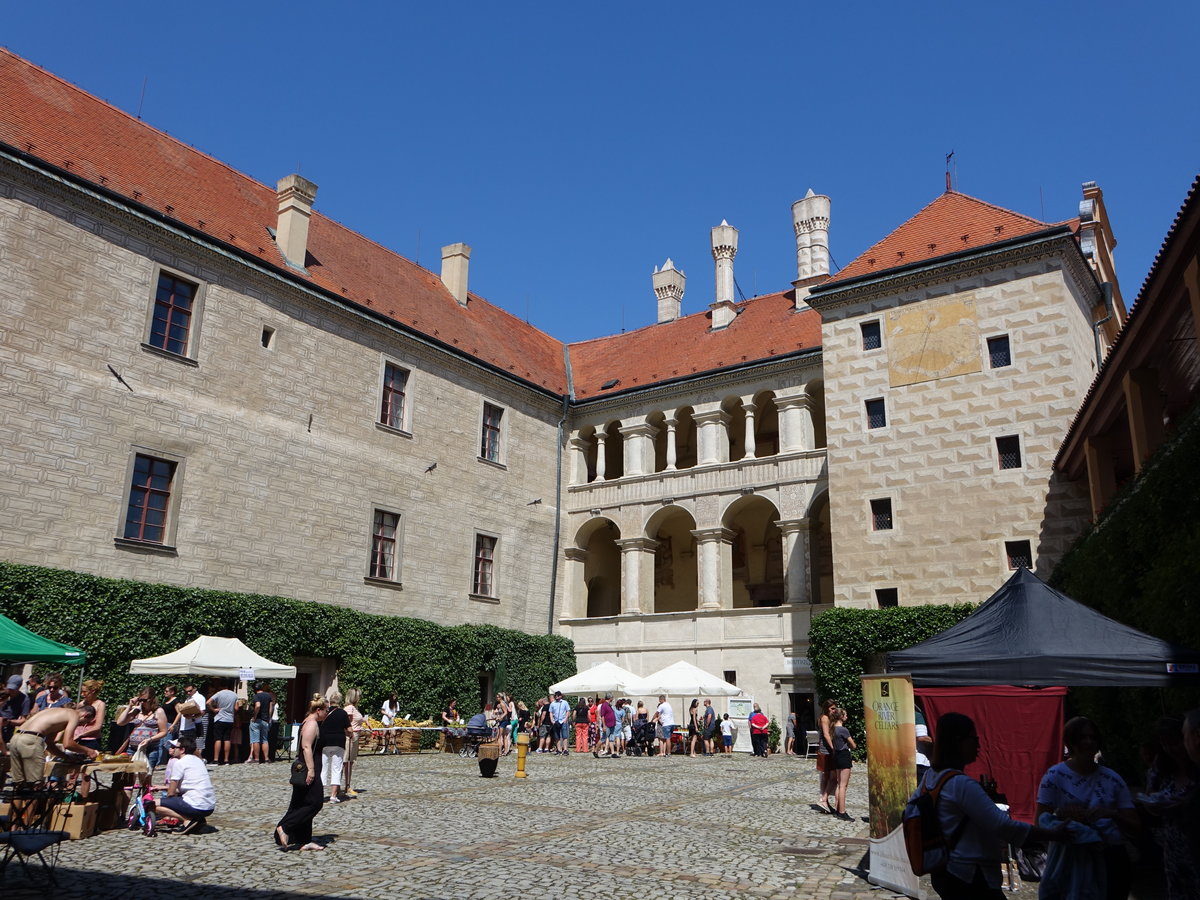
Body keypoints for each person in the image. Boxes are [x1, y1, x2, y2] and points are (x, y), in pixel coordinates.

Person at [919, 712, 1069, 900]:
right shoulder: (961, 784)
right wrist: (1053, 835)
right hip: (970, 877)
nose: (978, 745)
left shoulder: (930, 777)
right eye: (974, 739)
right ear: (958, 742)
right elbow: (1003, 826)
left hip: (944, 872)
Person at [1035, 716, 1136, 900]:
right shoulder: (1054, 777)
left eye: (1092, 737)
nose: (1088, 742)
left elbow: (1135, 827)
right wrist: (1061, 819)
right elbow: (1040, 824)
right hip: (1071, 860)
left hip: (1110, 858)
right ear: (1071, 743)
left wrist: (1111, 814)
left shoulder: (1113, 779)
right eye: (1082, 737)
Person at [1138, 716, 1198, 900]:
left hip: (1194, 840)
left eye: (1175, 742)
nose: (1172, 748)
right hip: (1172, 844)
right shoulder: (1160, 767)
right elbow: (1149, 797)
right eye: (1165, 744)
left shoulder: (1197, 764)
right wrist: (1155, 807)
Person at [276, 697, 328, 852]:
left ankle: (303, 840)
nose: (327, 713)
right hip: (307, 767)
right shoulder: (311, 724)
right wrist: (311, 770)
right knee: (315, 802)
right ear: (318, 710)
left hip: (307, 766)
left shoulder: (310, 721)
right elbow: (306, 747)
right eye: (326, 710)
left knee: (301, 802)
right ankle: (285, 827)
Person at [8, 704, 99, 785]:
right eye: (85, 723)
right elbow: (68, 744)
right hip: (31, 740)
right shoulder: (74, 715)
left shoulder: (57, 712)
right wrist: (89, 751)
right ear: (85, 715)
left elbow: (50, 744)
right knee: (35, 785)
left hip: (16, 738)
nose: (80, 725)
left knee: (19, 784)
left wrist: (66, 757)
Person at [158, 735, 215, 834]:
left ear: (182, 750)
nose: (172, 749)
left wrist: (165, 800)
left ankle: (188, 820)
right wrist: (161, 787)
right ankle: (198, 820)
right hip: (209, 806)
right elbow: (187, 786)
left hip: (196, 805)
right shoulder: (198, 760)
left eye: (175, 747)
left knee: (152, 805)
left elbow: (171, 793)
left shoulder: (179, 763)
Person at [117, 690, 169, 784]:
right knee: (129, 778)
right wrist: (130, 706)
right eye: (140, 699)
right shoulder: (137, 711)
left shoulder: (158, 711)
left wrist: (150, 739)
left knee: (145, 778)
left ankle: (144, 797)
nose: (142, 702)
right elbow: (120, 722)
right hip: (133, 749)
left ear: (151, 699)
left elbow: (164, 731)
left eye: (144, 700)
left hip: (150, 749)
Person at [320, 689, 353, 803]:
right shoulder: (342, 713)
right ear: (340, 701)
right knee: (336, 768)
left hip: (324, 742)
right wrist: (350, 734)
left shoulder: (324, 712)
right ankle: (333, 796)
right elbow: (349, 729)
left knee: (323, 768)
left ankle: (320, 794)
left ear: (330, 701)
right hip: (338, 742)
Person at [829, 708, 856, 819]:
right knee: (843, 786)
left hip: (836, 755)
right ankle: (842, 811)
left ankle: (837, 808)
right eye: (845, 715)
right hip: (844, 755)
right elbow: (853, 745)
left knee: (839, 784)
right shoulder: (843, 730)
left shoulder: (832, 729)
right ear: (841, 716)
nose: (846, 717)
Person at [207, 679, 238, 765]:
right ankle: (226, 759)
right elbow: (236, 708)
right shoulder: (234, 695)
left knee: (218, 739)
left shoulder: (219, 694)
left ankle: (216, 759)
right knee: (227, 739)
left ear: (221, 686)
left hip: (220, 718)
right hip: (230, 719)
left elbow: (208, 702)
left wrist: (214, 710)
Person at [342, 688, 364, 797]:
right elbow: (347, 723)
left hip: (355, 736)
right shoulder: (349, 708)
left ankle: (347, 784)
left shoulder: (354, 708)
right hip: (350, 736)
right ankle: (344, 785)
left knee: (350, 762)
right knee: (346, 762)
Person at [817, 697, 837, 812]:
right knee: (830, 777)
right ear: (827, 708)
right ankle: (824, 799)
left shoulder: (828, 718)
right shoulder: (824, 718)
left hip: (825, 750)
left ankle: (825, 801)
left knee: (826, 777)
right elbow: (826, 734)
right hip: (826, 750)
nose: (834, 710)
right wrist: (833, 748)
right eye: (832, 708)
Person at [74, 680, 106, 752]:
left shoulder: (100, 705)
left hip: (91, 741)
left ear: (93, 691)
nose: (82, 694)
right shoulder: (81, 704)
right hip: (77, 740)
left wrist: (80, 735)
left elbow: (97, 727)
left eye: (84, 692)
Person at [248, 681, 274, 764]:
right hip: (265, 720)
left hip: (257, 720)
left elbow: (258, 705)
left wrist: (254, 716)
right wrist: (269, 717)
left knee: (256, 740)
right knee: (264, 740)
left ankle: (256, 759)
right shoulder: (268, 696)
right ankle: (266, 758)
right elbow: (270, 708)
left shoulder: (256, 696)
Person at [1, 673, 31, 743]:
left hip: (7, 731)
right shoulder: (2, 694)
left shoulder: (24, 700)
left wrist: (9, 722)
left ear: (19, 686)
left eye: (13, 689)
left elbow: (23, 720)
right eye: (9, 688)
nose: (10, 691)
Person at [549, 690, 570, 755]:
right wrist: (552, 720)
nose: (556, 697)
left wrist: (566, 719)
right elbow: (551, 712)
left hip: (563, 720)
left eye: (558, 696)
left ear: (560, 696)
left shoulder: (564, 702)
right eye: (555, 696)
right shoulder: (552, 703)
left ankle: (565, 749)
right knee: (557, 736)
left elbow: (568, 711)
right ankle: (559, 749)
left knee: (564, 736)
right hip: (556, 721)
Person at [595, 693, 617, 758]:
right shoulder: (604, 705)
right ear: (610, 698)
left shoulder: (609, 705)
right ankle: (595, 751)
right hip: (607, 725)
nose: (613, 699)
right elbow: (602, 716)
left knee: (611, 739)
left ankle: (613, 753)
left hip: (612, 724)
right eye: (612, 698)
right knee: (603, 739)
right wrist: (604, 725)